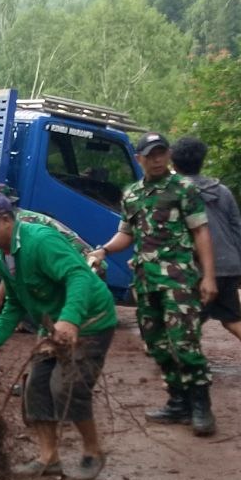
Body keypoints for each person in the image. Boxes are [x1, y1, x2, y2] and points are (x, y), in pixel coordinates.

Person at [0, 192, 117, 480]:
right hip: (52, 327)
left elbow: (78, 276)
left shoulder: (40, 241)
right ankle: (49, 458)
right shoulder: (4, 259)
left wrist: (70, 320)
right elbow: (15, 304)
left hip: (89, 321)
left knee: (66, 386)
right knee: (35, 387)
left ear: (4, 220)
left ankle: (93, 451)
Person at [89, 132, 218, 435]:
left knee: (185, 343)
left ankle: (201, 406)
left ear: (168, 155)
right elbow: (127, 234)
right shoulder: (132, 194)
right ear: (139, 159)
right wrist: (105, 249)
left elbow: (201, 233)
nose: (158, 159)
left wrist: (209, 276)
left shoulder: (184, 189)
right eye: (151, 154)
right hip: (146, 282)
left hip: (179, 280)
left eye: (162, 152)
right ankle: (177, 401)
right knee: (157, 345)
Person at [169, 136, 241, 363]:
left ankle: (181, 374)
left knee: (183, 322)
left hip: (197, 269)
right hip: (228, 264)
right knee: (234, 322)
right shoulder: (222, 191)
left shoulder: (175, 193)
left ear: (173, 164)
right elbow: (237, 229)